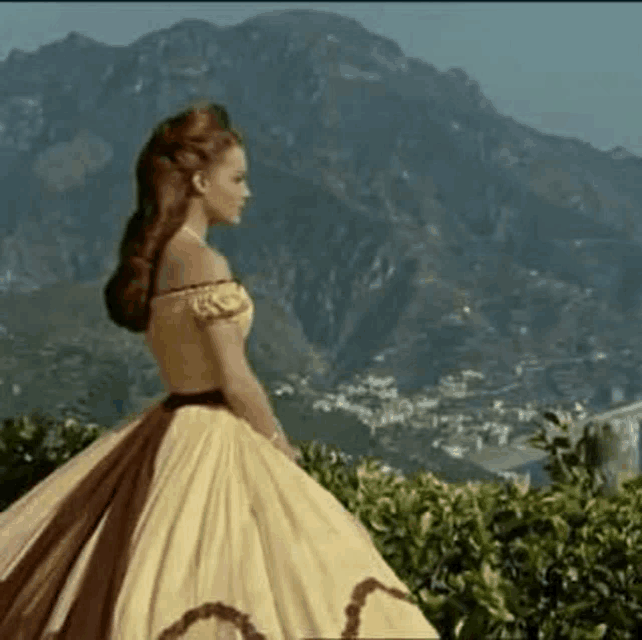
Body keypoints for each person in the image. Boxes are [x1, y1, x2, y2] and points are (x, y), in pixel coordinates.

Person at [0, 103, 440, 639]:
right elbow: (237, 379)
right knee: (262, 580)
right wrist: (281, 448)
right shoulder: (205, 264)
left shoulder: (160, 259)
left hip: (165, 431)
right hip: (213, 433)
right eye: (239, 178)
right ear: (202, 182)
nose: (247, 191)